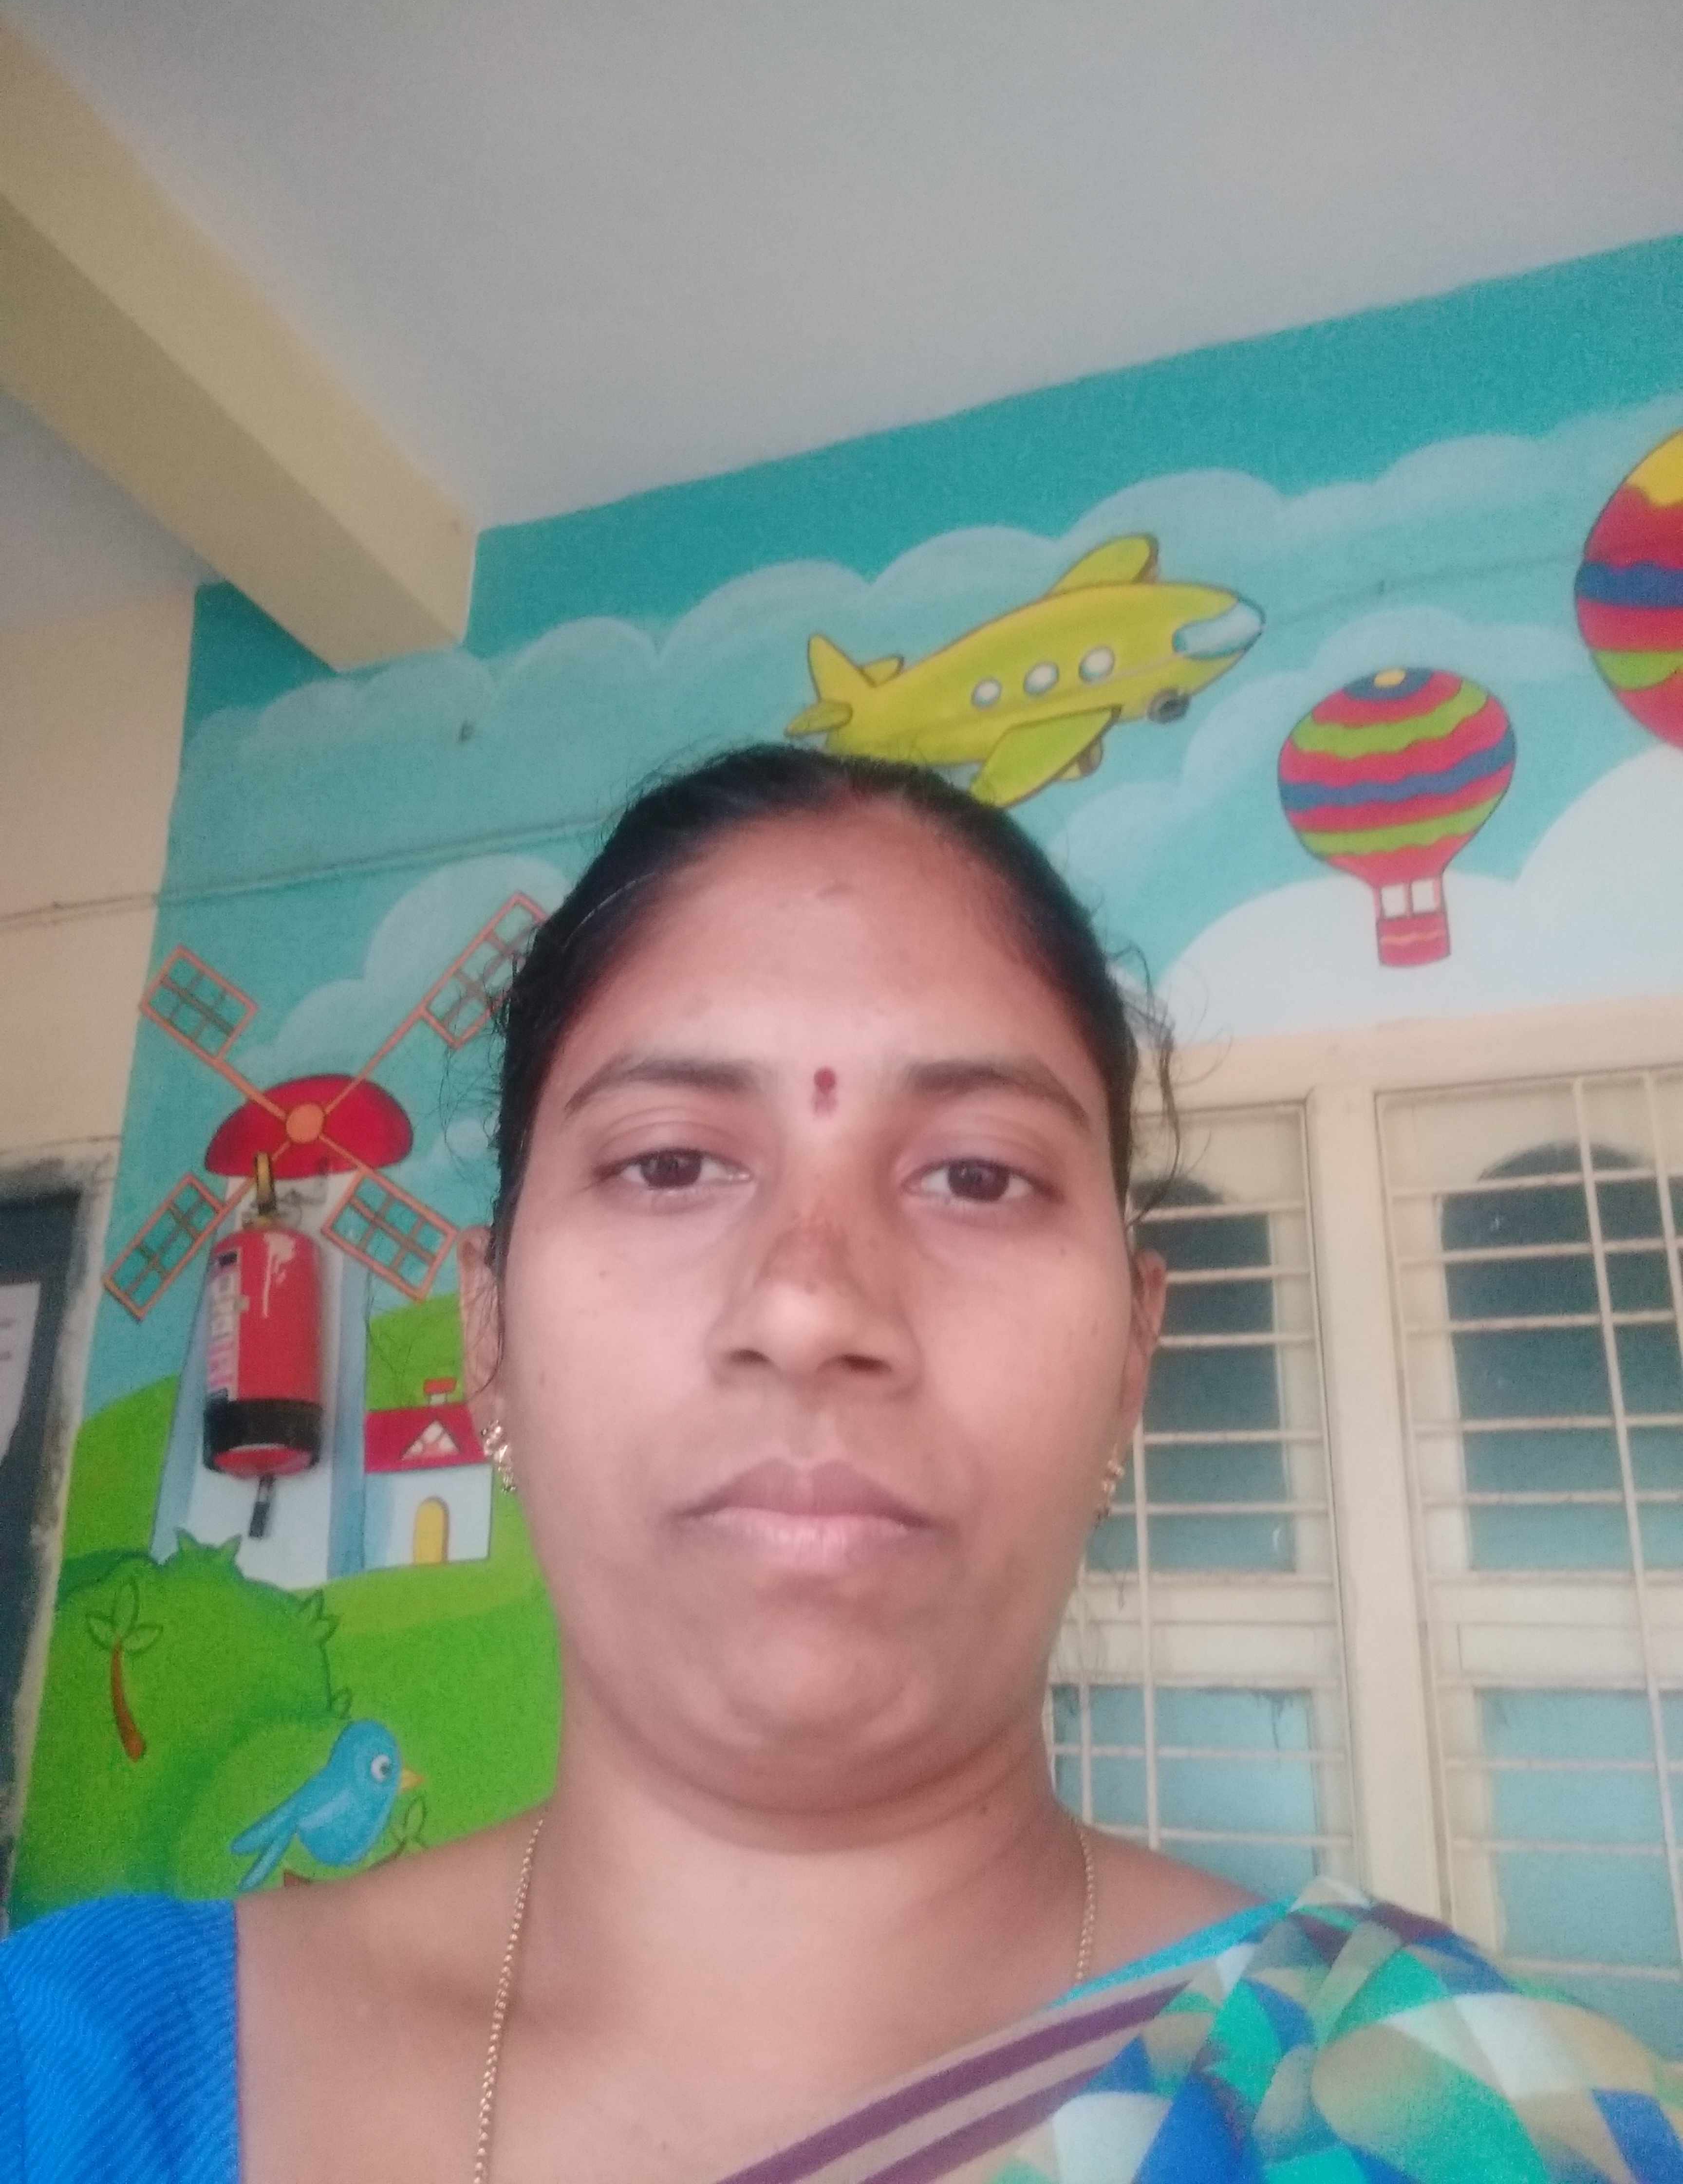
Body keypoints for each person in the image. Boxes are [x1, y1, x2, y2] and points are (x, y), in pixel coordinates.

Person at [3, 746, 1678, 2184]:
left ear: (1132, 1361)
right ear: (488, 1338)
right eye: (671, 1162)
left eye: (976, 1176)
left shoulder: (1427, 2108)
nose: (809, 1306)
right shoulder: (70, 2076)